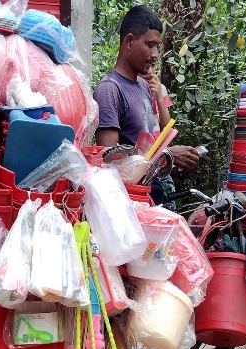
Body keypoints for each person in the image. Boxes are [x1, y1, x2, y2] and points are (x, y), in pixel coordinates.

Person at [93, 5, 199, 205]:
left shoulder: (143, 86)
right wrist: (165, 156)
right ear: (130, 42)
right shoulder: (110, 90)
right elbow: (109, 163)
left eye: (156, 46)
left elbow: (151, 140)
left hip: (153, 198)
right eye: (150, 45)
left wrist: (166, 159)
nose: (155, 54)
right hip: (131, 204)